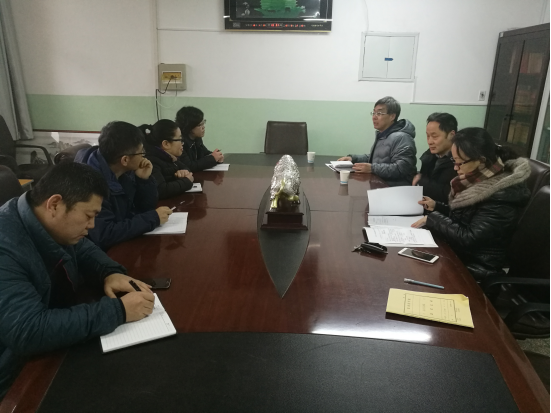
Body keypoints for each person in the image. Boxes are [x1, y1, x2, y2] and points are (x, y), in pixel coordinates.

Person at [0, 163, 155, 400]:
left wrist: (109, 272)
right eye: (88, 216)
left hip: (56, 340)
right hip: (17, 375)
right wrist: (119, 311)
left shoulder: (42, 218)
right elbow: (27, 331)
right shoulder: (6, 247)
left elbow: (82, 247)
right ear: (54, 204)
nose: (91, 226)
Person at [412, 128, 531, 280]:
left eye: (460, 163)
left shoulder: (501, 194)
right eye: (454, 161)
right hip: (459, 256)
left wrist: (432, 219)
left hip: (476, 270)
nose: (455, 167)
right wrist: (436, 206)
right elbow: (466, 216)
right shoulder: (478, 178)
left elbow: (469, 237)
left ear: (481, 161)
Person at [76, 121, 172, 250]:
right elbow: (104, 234)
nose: (144, 155)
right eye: (141, 152)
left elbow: (145, 207)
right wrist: (153, 218)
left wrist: (143, 180)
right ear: (125, 160)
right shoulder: (91, 185)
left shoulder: (123, 170)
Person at [338, 96, 417, 187]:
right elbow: (377, 158)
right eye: (374, 113)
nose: (374, 117)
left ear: (392, 116)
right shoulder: (383, 135)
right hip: (382, 186)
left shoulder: (402, 137)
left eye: (379, 113)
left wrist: (372, 168)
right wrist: (353, 159)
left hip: (396, 190)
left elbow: (401, 169)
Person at [140, 120, 194, 199]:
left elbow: (185, 167)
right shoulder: (151, 161)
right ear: (166, 144)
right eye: (179, 140)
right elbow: (161, 190)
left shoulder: (170, 157)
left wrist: (184, 172)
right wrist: (187, 181)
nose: (182, 143)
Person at [412, 113, 458, 203]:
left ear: (451, 135)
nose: (429, 141)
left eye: (434, 136)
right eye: (428, 136)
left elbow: (451, 195)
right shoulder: (429, 155)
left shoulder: (459, 161)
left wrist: (422, 182)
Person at [175, 106, 224, 172]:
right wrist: (212, 158)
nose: (203, 127)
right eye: (200, 125)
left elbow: (205, 154)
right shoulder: (180, 143)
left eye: (203, 123)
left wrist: (217, 157)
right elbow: (189, 166)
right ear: (189, 127)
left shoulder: (197, 138)